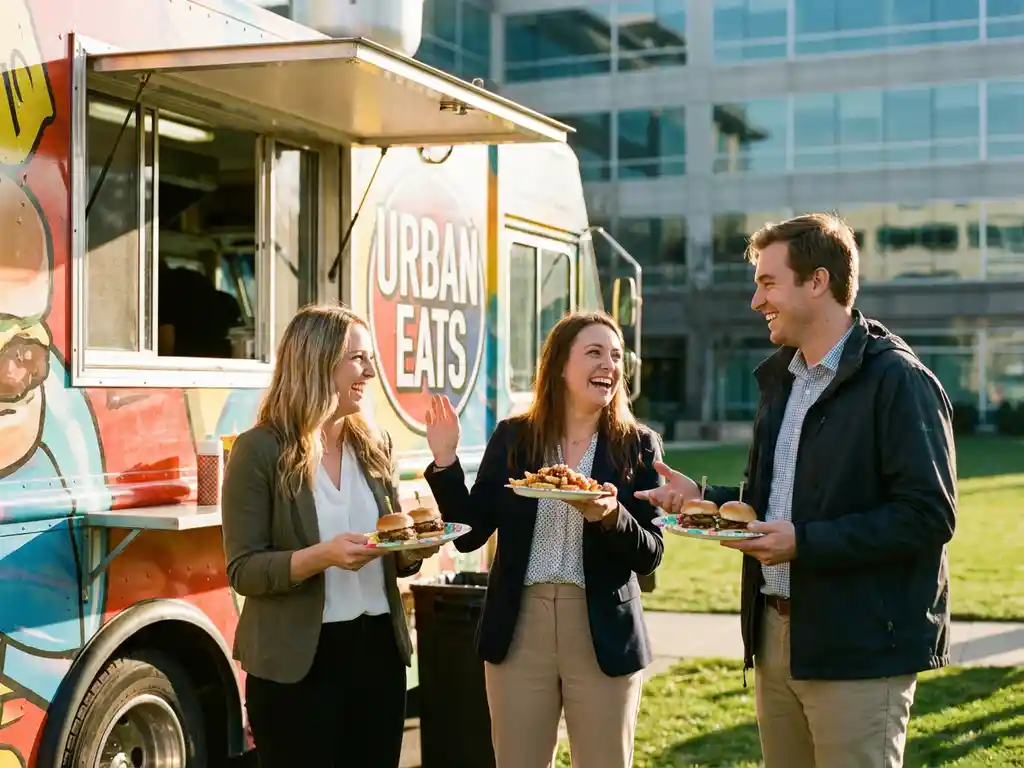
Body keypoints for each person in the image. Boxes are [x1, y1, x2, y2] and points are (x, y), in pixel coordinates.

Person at [639, 213, 957, 768]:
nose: (756, 301)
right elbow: (787, 498)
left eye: (767, 283)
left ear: (818, 281)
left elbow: (928, 517)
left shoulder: (898, 381)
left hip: (859, 648)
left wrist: (803, 543)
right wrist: (708, 498)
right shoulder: (784, 382)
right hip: (777, 635)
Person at [423, 311, 664, 768]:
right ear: (558, 367)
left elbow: (650, 554)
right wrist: (445, 460)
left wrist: (611, 515)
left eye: (615, 356)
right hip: (520, 625)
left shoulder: (637, 445)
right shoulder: (516, 438)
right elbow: (470, 534)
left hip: (601, 630)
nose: (609, 366)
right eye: (594, 353)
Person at [221, 304, 438, 768]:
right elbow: (243, 570)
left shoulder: (374, 444)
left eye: (369, 359)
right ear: (316, 360)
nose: (370, 371)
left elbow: (395, 549)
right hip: (298, 663)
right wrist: (321, 557)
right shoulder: (259, 450)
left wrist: (417, 547)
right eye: (357, 359)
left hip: (378, 652)